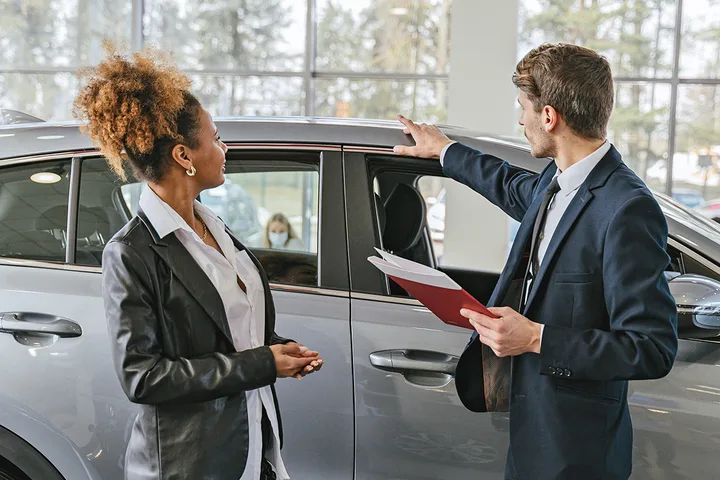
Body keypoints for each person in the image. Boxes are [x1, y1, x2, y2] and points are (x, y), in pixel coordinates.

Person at [393, 43, 678, 480]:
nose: (520, 120)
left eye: (523, 108)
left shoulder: (627, 209)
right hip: (532, 433)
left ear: (549, 116)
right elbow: (508, 185)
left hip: (578, 452)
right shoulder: (556, 180)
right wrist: (446, 150)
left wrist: (536, 338)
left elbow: (652, 348)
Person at [73, 45, 323, 480]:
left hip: (253, 445)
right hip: (192, 464)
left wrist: (280, 349)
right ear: (184, 157)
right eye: (217, 137)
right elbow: (143, 378)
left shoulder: (216, 226)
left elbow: (225, 328)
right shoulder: (131, 253)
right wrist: (263, 364)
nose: (225, 148)